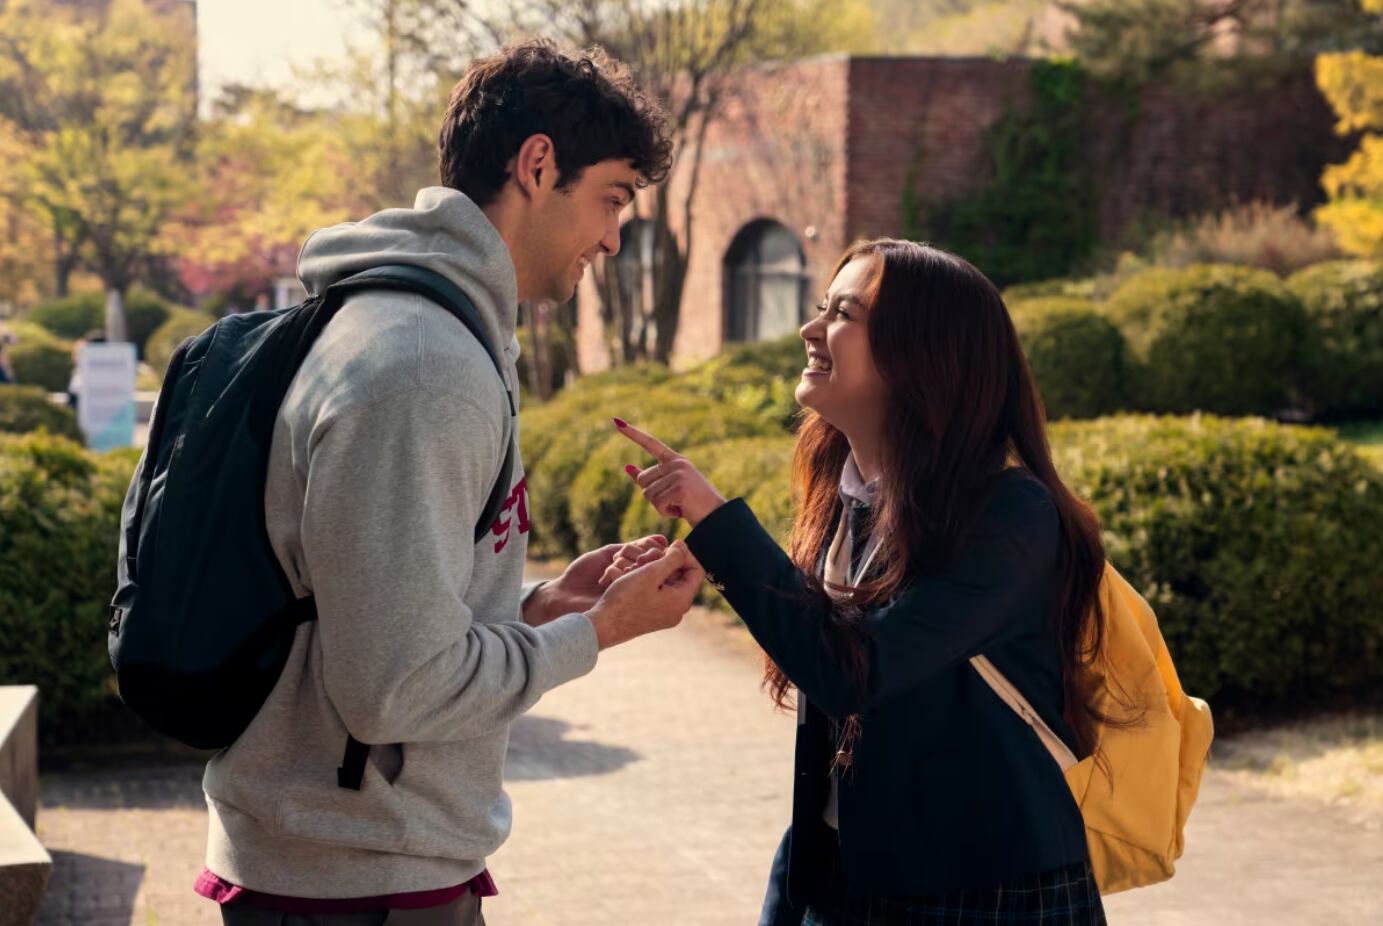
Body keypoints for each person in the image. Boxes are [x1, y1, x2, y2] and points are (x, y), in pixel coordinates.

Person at [200, 39, 694, 926]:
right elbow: (395, 687)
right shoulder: (422, 365)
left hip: (355, 860)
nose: (614, 238)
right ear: (538, 165)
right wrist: (600, 635)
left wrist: (542, 605)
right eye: (610, 200)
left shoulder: (424, 326)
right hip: (355, 881)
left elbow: (378, 612)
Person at [612, 239, 1112, 925]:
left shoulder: (1010, 516)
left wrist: (718, 523)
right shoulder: (846, 504)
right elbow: (829, 745)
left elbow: (852, 671)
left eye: (842, 312)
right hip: (852, 881)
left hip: (986, 891)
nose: (809, 328)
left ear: (924, 353)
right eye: (822, 306)